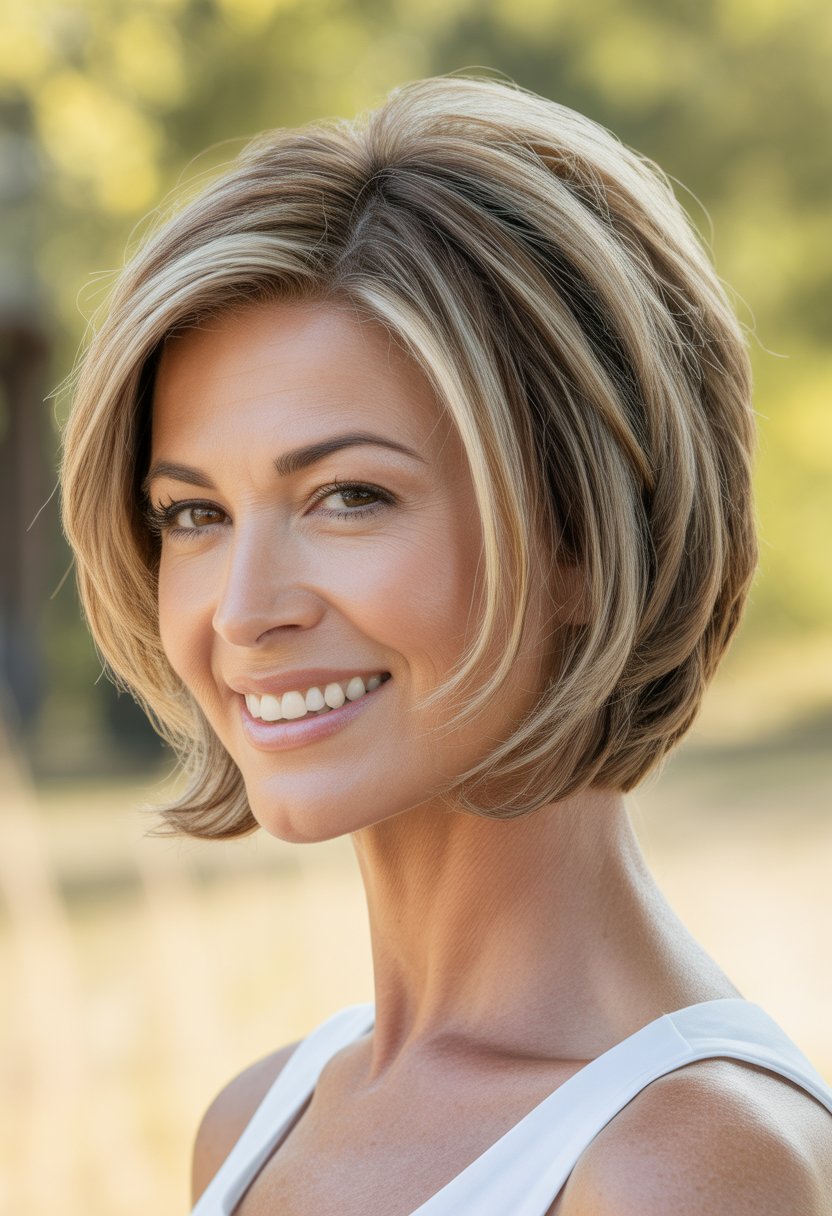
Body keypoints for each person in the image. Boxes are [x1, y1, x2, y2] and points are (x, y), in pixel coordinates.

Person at [60, 75, 832, 1215]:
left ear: (581, 533)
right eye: (194, 514)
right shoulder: (257, 1121)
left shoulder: (681, 1163)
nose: (240, 610)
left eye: (348, 495)